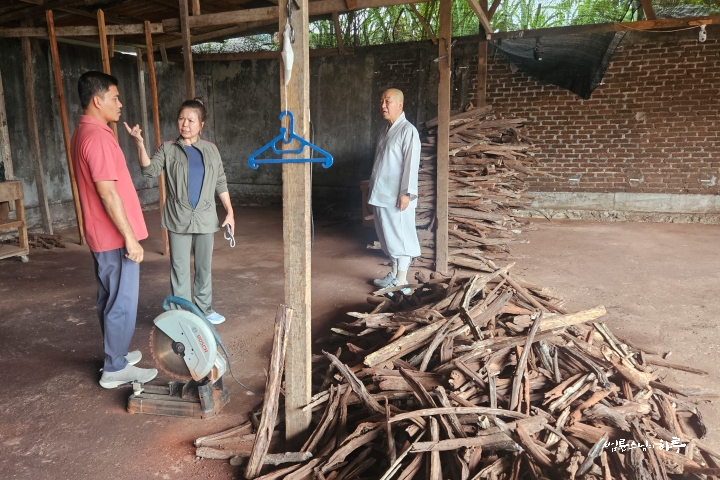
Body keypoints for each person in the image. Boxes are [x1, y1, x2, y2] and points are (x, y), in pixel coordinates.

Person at [71, 71, 158, 388]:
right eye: (115, 97)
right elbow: (107, 193)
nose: (120, 104)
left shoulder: (85, 132)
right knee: (121, 301)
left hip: (102, 234)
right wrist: (130, 238)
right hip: (114, 237)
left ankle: (115, 353)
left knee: (110, 297)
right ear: (98, 100)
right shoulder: (96, 138)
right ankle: (115, 367)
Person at [125, 98, 234, 325]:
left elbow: (220, 182)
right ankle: (182, 312)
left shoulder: (211, 150)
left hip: (205, 216)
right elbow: (149, 170)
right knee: (179, 268)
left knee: (204, 266)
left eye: (191, 120)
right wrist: (139, 144)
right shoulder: (168, 148)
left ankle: (204, 309)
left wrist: (229, 212)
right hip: (178, 216)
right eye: (181, 118)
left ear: (201, 124)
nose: (185, 124)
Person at [369, 88, 421, 292]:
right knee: (387, 238)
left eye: (387, 101)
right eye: (381, 101)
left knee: (401, 237)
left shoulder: (408, 131)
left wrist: (406, 193)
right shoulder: (385, 130)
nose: (383, 105)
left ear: (400, 105)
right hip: (381, 193)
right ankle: (393, 274)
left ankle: (401, 281)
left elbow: (411, 164)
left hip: (398, 196)